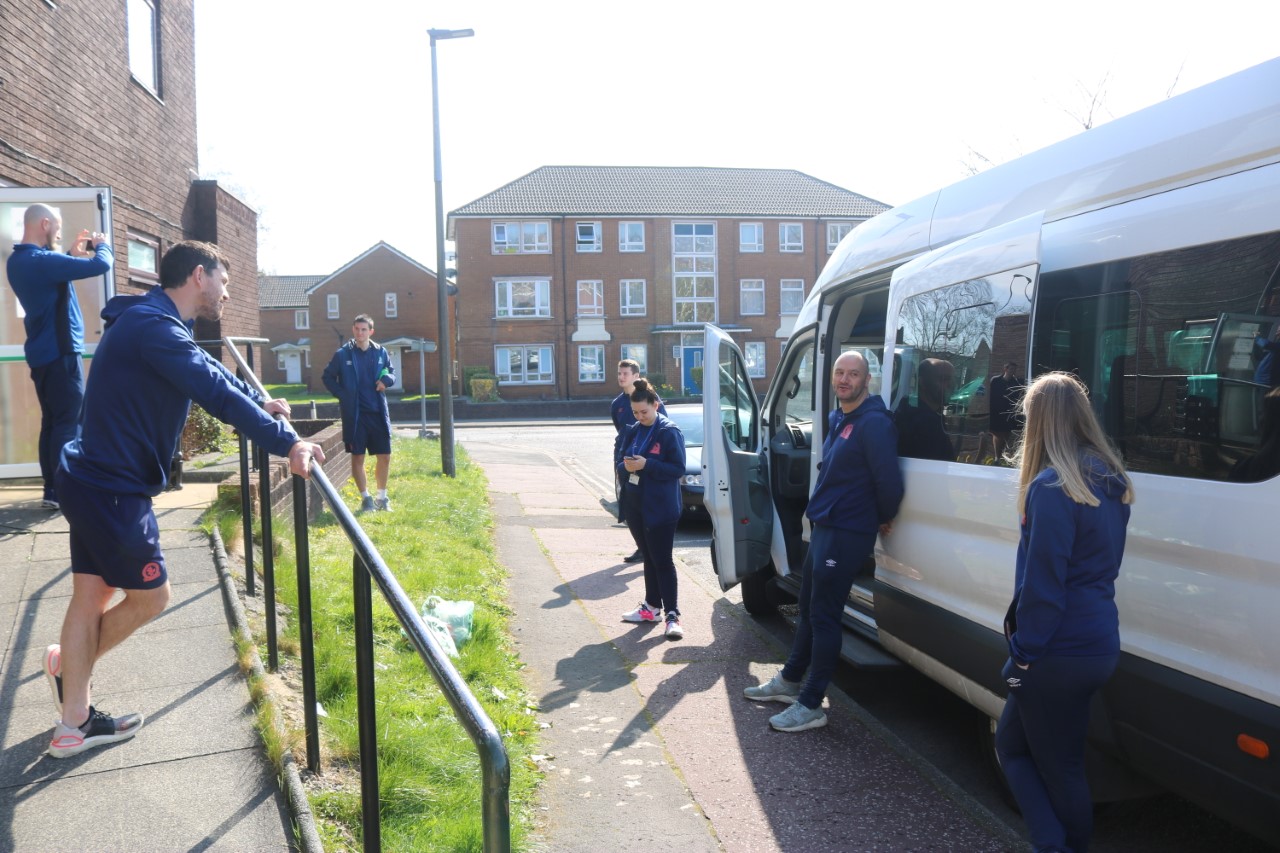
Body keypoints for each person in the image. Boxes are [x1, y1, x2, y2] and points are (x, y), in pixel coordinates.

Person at [43, 240, 325, 758]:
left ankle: (73, 717)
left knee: (92, 597)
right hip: (110, 488)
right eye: (223, 280)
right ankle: (71, 689)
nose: (225, 291)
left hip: (92, 479)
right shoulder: (154, 327)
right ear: (199, 275)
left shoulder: (157, 323)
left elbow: (212, 373)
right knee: (153, 597)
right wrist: (288, 443)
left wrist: (258, 399)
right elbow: (212, 394)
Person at [995, 371, 1135, 853]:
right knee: (1014, 746)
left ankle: (1056, 847)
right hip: (1097, 642)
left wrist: (1025, 654)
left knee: (1057, 767)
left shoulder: (1053, 487)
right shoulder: (1109, 479)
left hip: (1055, 651)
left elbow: (1043, 587)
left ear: (1037, 422)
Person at [743, 351, 904, 731]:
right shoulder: (840, 417)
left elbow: (889, 482)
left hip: (849, 531)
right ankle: (790, 680)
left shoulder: (875, 423)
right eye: (839, 372)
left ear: (867, 380)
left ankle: (812, 703)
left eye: (853, 374)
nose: (844, 379)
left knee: (825, 614)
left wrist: (883, 515)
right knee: (807, 603)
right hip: (827, 526)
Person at [5, 204, 112, 509]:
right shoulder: (42, 261)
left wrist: (70, 254)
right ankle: (67, 492)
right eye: (58, 227)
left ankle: (52, 491)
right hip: (61, 354)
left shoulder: (19, 261)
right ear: (44, 224)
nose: (59, 232)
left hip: (41, 354)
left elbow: (54, 272)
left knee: (52, 423)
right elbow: (101, 266)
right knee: (68, 422)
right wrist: (101, 246)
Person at [617, 379, 687, 639]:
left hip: (661, 507)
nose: (640, 416)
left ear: (655, 405)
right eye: (635, 412)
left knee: (662, 561)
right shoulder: (633, 430)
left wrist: (647, 465)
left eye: (644, 411)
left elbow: (678, 469)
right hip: (637, 505)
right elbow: (621, 463)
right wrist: (627, 467)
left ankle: (672, 615)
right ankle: (651, 607)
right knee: (648, 557)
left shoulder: (669, 432)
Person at [322, 314, 396, 512]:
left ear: (371, 331)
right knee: (357, 457)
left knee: (385, 456)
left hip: (377, 413)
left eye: (364, 329)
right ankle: (366, 499)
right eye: (357, 329)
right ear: (353, 330)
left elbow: (391, 371)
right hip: (355, 416)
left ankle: (382, 498)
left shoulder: (381, 352)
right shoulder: (343, 354)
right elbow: (327, 377)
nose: (360, 333)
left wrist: (387, 380)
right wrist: (343, 395)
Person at [611, 359, 666, 562]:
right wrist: (620, 464)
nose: (621, 377)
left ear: (636, 376)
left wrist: (649, 460)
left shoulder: (650, 399)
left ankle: (651, 547)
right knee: (629, 506)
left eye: (625, 373)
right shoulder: (617, 404)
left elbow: (663, 426)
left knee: (648, 505)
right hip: (625, 463)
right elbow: (621, 433)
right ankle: (641, 547)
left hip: (646, 464)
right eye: (619, 373)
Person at [894, 357, 957, 461]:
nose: (951, 385)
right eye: (943, 379)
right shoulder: (925, 423)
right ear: (922, 382)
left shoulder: (909, 410)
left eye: (952, 380)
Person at [990, 361, 1026, 461]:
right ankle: (997, 457)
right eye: (1011, 369)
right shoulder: (996, 380)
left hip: (1009, 412)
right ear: (1005, 369)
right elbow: (990, 395)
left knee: (1006, 434)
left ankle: (1001, 457)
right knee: (998, 434)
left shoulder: (1016, 382)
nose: (1013, 371)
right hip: (997, 412)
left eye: (1014, 369)